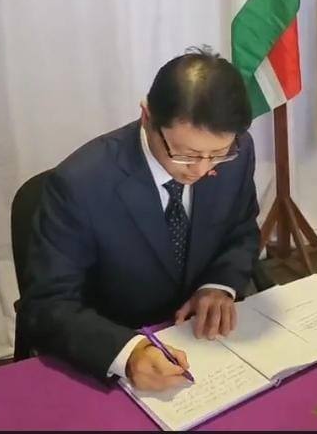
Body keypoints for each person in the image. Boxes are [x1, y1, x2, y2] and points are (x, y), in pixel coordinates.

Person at [17, 49, 260, 392]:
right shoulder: (80, 184)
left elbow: (241, 229)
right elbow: (47, 305)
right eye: (185, 154)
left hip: (204, 343)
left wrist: (219, 284)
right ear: (147, 116)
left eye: (217, 154)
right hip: (118, 348)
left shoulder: (239, 152)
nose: (202, 169)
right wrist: (128, 353)